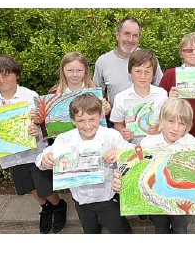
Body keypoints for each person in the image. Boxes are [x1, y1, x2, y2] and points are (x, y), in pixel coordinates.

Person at [111, 98, 195, 234]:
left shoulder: (191, 142)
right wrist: (121, 185)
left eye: (182, 123)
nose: (175, 128)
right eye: (171, 121)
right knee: (160, 227)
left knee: (180, 228)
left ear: (188, 125)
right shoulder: (148, 142)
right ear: (161, 120)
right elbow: (137, 174)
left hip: (182, 202)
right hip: (156, 200)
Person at [0, 54, 58, 234]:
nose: (1, 80)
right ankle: (45, 208)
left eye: (6, 74)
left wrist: (36, 130)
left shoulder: (31, 96)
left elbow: (45, 124)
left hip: (35, 153)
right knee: (28, 187)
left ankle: (58, 205)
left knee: (45, 187)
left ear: (16, 74)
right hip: (11, 156)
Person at [35, 93, 134, 234]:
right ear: (73, 120)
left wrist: (119, 153)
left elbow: (135, 153)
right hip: (81, 199)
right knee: (89, 230)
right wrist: (45, 160)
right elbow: (41, 158)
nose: (87, 126)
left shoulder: (111, 136)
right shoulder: (65, 139)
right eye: (81, 120)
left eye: (92, 119)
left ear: (100, 116)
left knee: (120, 229)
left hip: (107, 197)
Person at [93, 17, 163, 114]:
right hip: (115, 122)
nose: (130, 40)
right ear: (117, 35)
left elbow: (160, 88)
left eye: (135, 35)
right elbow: (96, 95)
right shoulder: (103, 61)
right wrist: (104, 106)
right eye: (126, 34)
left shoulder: (149, 59)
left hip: (147, 120)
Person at [110, 49, 168, 145]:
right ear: (130, 73)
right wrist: (123, 131)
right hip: (131, 147)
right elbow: (118, 123)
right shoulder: (120, 97)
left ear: (153, 74)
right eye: (138, 71)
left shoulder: (162, 95)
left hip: (157, 146)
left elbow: (168, 120)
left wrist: (160, 127)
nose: (142, 76)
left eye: (147, 72)